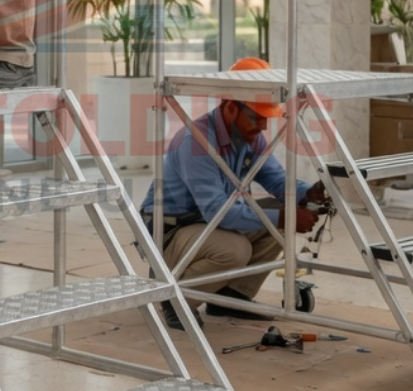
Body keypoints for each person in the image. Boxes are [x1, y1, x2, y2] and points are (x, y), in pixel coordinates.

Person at [139, 58, 326, 329]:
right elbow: (216, 211)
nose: (263, 126)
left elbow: (276, 180)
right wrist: (284, 217)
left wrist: (307, 193)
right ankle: (174, 298)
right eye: (256, 117)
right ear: (229, 108)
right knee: (237, 248)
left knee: (279, 209)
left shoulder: (250, 135)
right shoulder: (196, 142)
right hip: (169, 231)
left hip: (205, 224)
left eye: (266, 118)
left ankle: (230, 297)